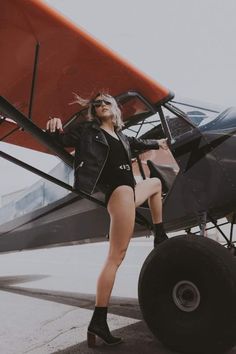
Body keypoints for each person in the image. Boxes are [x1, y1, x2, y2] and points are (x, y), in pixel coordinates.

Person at [46, 92, 169, 347]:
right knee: (116, 257)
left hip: (131, 191)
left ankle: (160, 234)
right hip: (119, 193)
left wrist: (159, 143)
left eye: (106, 102)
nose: (101, 105)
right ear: (94, 111)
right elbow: (61, 139)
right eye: (97, 104)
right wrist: (55, 126)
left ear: (115, 110)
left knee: (156, 183)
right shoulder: (87, 131)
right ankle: (98, 320)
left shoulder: (122, 137)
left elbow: (137, 142)